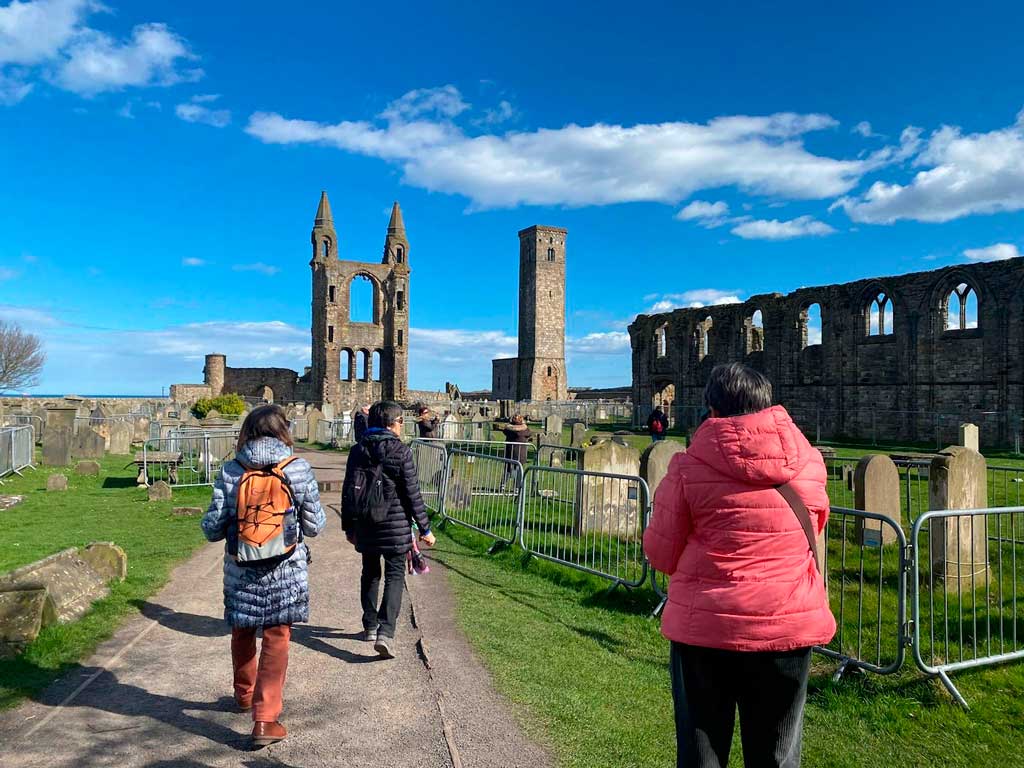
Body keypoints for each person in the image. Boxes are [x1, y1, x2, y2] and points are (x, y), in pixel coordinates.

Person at [643, 363, 834, 768]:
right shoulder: (810, 464)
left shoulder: (686, 467)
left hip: (706, 631)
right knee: (777, 757)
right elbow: (814, 530)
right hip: (787, 625)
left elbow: (660, 554)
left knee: (702, 756)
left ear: (712, 407)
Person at [201, 404, 326, 748]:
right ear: (284, 431)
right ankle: (265, 720)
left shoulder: (232, 469)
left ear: (247, 431)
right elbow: (315, 526)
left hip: (241, 568)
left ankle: (243, 694)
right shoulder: (297, 469)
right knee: (277, 636)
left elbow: (212, 529)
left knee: (242, 630)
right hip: (285, 569)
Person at [341, 401, 436, 659]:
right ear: (393, 424)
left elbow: (348, 491)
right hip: (395, 526)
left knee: (370, 573)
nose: (402, 426)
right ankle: (386, 632)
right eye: (400, 422)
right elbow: (412, 494)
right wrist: (425, 529)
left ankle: (370, 626)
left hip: (366, 523)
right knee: (395, 576)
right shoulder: (401, 451)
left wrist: (348, 526)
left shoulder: (358, 450)